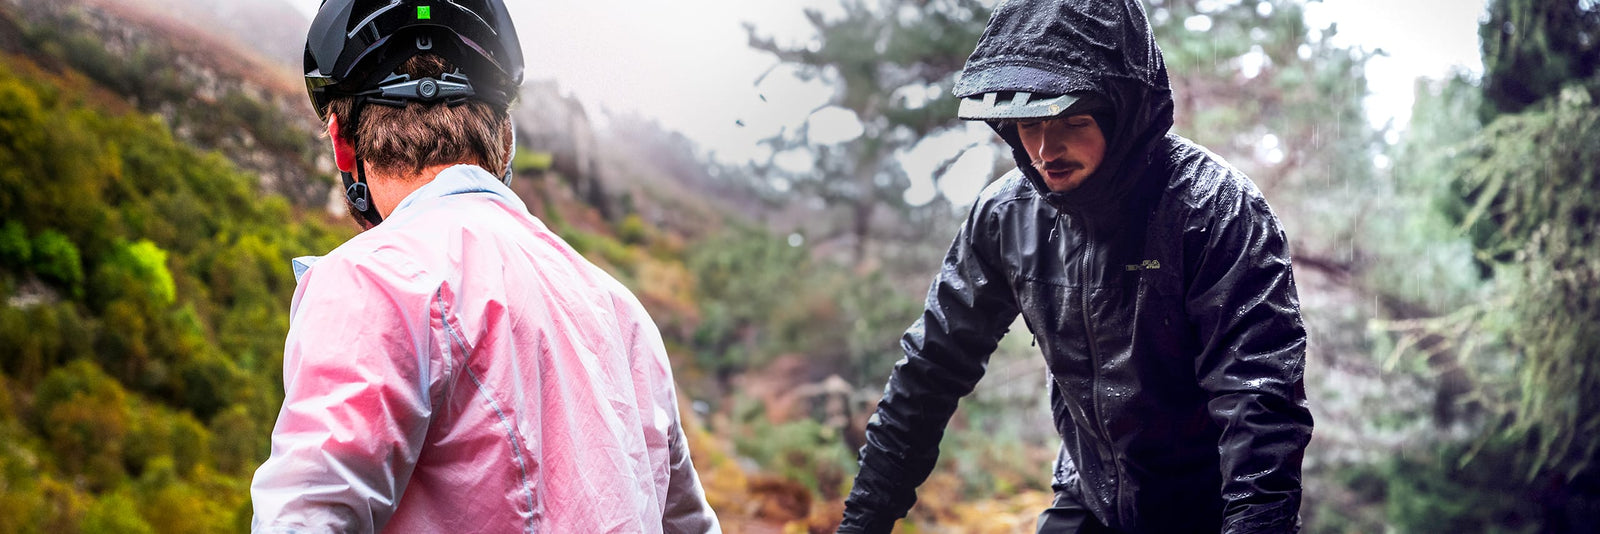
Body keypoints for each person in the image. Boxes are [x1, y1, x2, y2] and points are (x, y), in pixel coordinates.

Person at [838, 0, 1313, 533]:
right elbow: (929, 374)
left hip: (1213, 510)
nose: (1046, 149)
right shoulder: (1006, 215)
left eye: (1073, 121)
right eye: (1028, 124)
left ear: (1123, 115)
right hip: (1089, 499)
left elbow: (1260, 404)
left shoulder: (1215, 209)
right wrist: (861, 524)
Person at [250, 1, 722, 532]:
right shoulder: (620, 311)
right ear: (507, 138)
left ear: (341, 144)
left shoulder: (372, 279)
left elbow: (304, 518)